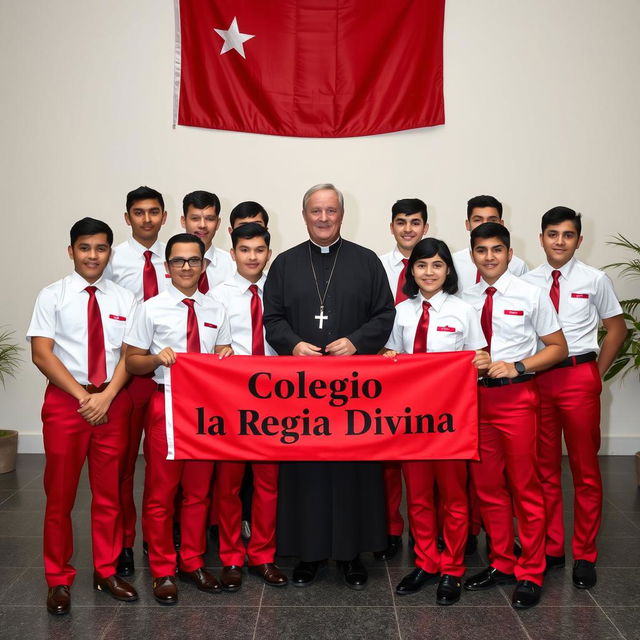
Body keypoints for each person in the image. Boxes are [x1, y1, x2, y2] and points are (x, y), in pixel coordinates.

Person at [263, 183, 395, 589]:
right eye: (316, 211)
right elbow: (273, 318)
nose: (324, 218)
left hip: (354, 392)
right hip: (301, 393)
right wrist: (293, 344)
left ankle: (352, 555)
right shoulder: (284, 264)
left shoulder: (366, 261)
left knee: (353, 470)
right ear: (304, 216)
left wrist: (357, 342)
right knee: (308, 471)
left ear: (342, 214)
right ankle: (309, 553)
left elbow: (384, 314)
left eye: (331, 211)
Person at [27, 217, 138, 615]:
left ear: (110, 251)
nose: (93, 255)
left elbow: (130, 354)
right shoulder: (52, 295)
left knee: (109, 494)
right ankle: (58, 578)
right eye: (85, 248)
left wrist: (107, 396)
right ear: (71, 250)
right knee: (60, 495)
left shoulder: (126, 299)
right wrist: (83, 396)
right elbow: (42, 353)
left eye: (101, 248)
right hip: (66, 403)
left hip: (112, 401)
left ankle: (105, 570)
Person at [461, 222, 568, 609]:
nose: (489, 257)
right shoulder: (463, 297)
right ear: (472, 254)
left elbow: (557, 347)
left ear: (509, 253)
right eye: (481, 250)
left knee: (525, 486)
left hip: (517, 398)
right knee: (488, 488)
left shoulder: (531, 293)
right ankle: (503, 563)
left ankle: (531, 569)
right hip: (476, 403)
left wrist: (520, 366)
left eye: (496, 249)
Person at [124, 233, 233, 605]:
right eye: (177, 261)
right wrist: (156, 358)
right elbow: (132, 361)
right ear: (167, 267)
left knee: (199, 493)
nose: (186, 267)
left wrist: (225, 354)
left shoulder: (216, 309)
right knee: (161, 493)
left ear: (204, 265)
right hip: (165, 406)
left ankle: (192, 561)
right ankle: (163, 570)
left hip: (204, 413)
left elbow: (222, 353)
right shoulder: (150, 308)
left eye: (193, 260)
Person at [521, 207, 626, 589]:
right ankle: (553, 547)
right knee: (544, 470)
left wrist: (595, 373)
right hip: (540, 380)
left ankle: (585, 553)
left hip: (579, 377)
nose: (559, 241)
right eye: (553, 234)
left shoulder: (594, 279)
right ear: (542, 238)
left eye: (568, 235)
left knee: (585, 470)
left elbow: (617, 329)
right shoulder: (527, 281)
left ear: (579, 240)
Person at [382, 238, 489, 605]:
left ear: (448, 270)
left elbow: (479, 356)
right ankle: (427, 562)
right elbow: (390, 358)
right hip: (411, 421)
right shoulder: (401, 311)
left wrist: (479, 361)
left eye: (438, 265)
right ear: (412, 271)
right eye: (423, 265)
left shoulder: (464, 310)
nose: (430, 272)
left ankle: (452, 569)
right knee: (419, 496)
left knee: (454, 497)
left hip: (450, 420)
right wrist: (389, 356)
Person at [211, 222, 288, 590]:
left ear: (268, 254)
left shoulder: (280, 290)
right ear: (233, 254)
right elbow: (207, 342)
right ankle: (230, 557)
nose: (252, 256)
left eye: (259, 250)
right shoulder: (217, 295)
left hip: (275, 400)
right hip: (232, 401)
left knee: (267, 483)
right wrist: (217, 349)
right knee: (228, 484)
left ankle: (263, 555)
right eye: (245, 250)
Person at [106, 185, 168, 576]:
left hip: (169, 375)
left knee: (164, 466)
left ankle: (158, 539)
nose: (147, 219)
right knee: (124, 465)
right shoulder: (111, 261)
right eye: (139, 212)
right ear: (127, 217)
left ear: (164, 216)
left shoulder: (178, 257)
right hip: (128, 374)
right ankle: (123, 542)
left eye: (154, 211)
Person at [377, 198, 429, 560]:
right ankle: (391, 528)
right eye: (401, 222)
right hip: (384, 375)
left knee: (429, 461)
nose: (408, 228)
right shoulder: (377, 265)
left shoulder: (439, 265)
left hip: (431, 383)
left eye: (415, 222)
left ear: (425, 226)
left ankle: (433, 533)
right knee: (388, 459)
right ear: (391, 226)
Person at [452, 195, 528, 292]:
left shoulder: (518, 266)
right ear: (468, 224)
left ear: (501, 224)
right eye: (478, 220)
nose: (485, 224)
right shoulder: (453, 262)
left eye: (492, 220)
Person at [181, 190, 235, 293]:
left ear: (218, 223)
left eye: (209, 219)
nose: (202, 225)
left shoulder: (232, 265)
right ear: (183, 221)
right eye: (195, 218)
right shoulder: (169, 262)